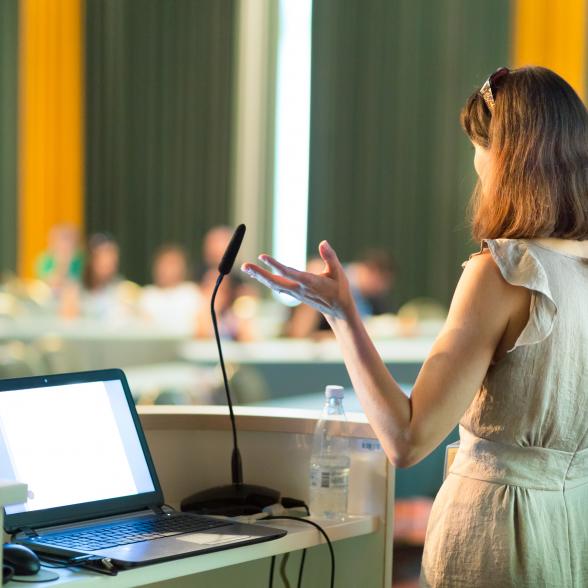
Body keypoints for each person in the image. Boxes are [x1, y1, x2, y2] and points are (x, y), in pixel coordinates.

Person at [242, 66, 588, 586]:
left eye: (479, 147)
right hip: (571, 528)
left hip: (497, 531)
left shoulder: (503, 274)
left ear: (508, 158)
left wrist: (343, 317)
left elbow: (406, 439)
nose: (476, 165)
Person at [139, 244, 201, 333]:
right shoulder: (147, 294)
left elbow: (202, 327)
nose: (167, 269)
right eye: (163, 263)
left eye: (172, 263)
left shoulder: (191, 291)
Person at [36, 224, 83, 289]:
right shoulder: (46, 260)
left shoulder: (80, 261)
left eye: (69, 242)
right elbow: (49, 281)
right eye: (62, 241)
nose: (65, 246)